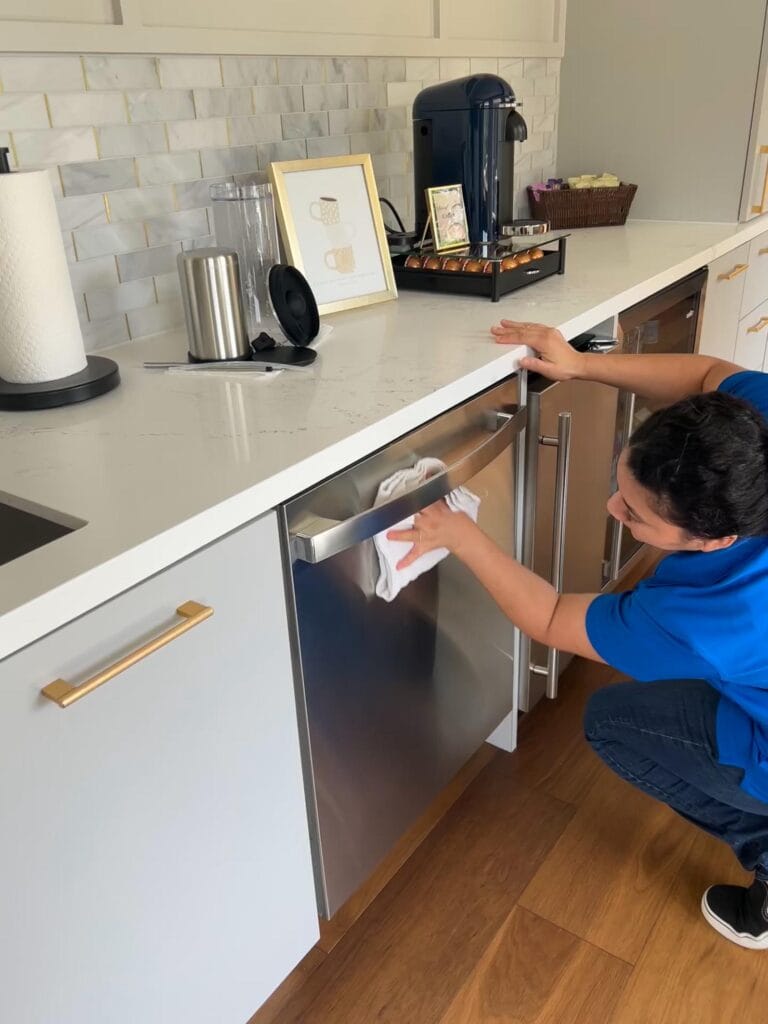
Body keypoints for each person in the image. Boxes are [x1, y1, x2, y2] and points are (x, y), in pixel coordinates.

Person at [388, 319, 768, 950]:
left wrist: (461, 534)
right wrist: (581, 364)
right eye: (623, 486)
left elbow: (552, 616)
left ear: (716, 540)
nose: (612, 510)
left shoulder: (712, 616)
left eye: (636, 517)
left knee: (611, 724)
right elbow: (706, 375)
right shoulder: (753, 438)